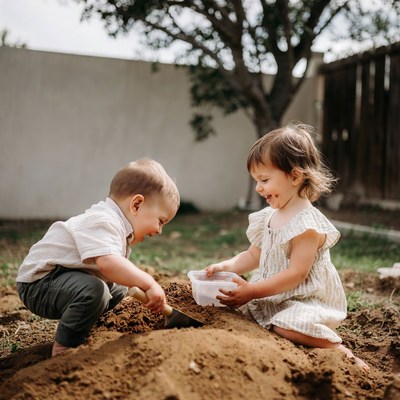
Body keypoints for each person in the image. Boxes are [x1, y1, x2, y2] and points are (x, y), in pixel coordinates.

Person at [206, 123, 369, 370]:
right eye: (256, 180)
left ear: (294, 176)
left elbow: (297, 274)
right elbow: (254, 254)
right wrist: (226, 266)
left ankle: (335, 348)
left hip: (304, 300)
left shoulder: (306, 224)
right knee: (232, 311)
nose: (259, 188)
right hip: (273, 295)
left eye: (264, 179)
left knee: (285, 324)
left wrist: (252, 291)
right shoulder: (270, 215)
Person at [16, 158, 180, 357]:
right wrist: (149, 282)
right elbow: (108, 264)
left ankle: (91, 328)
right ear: (136, 204)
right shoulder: (104, 220)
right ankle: (64, 348)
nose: (160, 231)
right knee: (95, 291)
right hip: (40, 283)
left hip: (65, 277)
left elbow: (116, 272)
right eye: (160, 221)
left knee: (118, 289)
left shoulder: (118, 226)